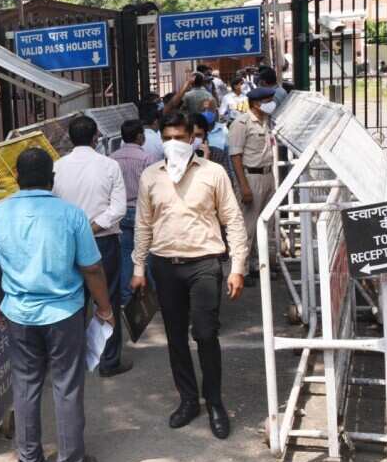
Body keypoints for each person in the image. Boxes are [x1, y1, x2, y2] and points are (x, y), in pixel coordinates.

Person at [0, 148, 112, 462]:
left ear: (16, 176)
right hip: (64, 313)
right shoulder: (72, 215)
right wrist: (104, 306)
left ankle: (29, 461)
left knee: (25, 386)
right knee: (67, 385)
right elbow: (92, 267)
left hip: (19, 314)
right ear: (52, 181)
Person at [130, 113, 247, 440]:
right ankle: (187, 400)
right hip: (165, 265)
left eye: (180, 138)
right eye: (167, 138)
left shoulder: (213, 173)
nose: (174, 144)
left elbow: (233, 220)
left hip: (204, 264)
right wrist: (138, 268)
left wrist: (237, 266)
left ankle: (214, 402)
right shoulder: (151, 176)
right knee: (176, 336)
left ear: (192, 139)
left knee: (206, 334)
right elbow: (143, 224)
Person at [54, 116, 129, 377]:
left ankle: (72, 361)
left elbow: (54, 206)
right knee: (107, 298)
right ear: (96, 136)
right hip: (103, 242)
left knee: (74, 302)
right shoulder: (109, 165)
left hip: (68, 244)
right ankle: (109, 361)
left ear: (70, 138)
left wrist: (77, 231)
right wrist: (92, 228)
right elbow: (118, 208)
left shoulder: (58, 167)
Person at [228, 86, 280, 278]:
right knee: (248, 227)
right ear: (257, 104)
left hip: (267, 176)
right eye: (267, 101)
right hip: (251, 177)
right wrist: (243, 186)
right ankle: (242, 270)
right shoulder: (241, 124)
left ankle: (261, 265)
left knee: (267, 223)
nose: (271, 104)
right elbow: (235, 156)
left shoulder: (267, 121)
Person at [110, 121, 154, 307]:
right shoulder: (147, 159)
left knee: (127, 253)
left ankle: (126, 297)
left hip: (120, 213)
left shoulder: (112, 159)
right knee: (148, 253)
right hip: (141, 211)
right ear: (138, 136)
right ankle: (154, 295)